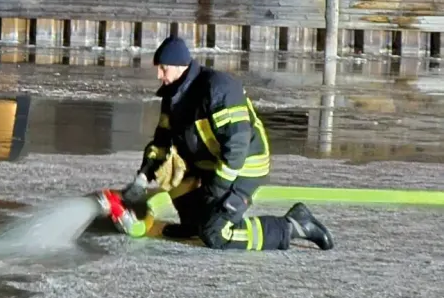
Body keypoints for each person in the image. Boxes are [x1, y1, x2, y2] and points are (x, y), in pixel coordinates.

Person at [121, 36, 333, 251]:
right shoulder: (173, 96)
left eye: (163, 69)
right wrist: (143, 177)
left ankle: (293, 225)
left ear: (180, 67)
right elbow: (162, 142)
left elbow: (237, 145)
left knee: (215, 234)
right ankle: (194, 224)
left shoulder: (218, 89)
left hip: (243, 168)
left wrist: (218, 187)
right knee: (174, 173)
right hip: (211, 165)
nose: (159, 75)